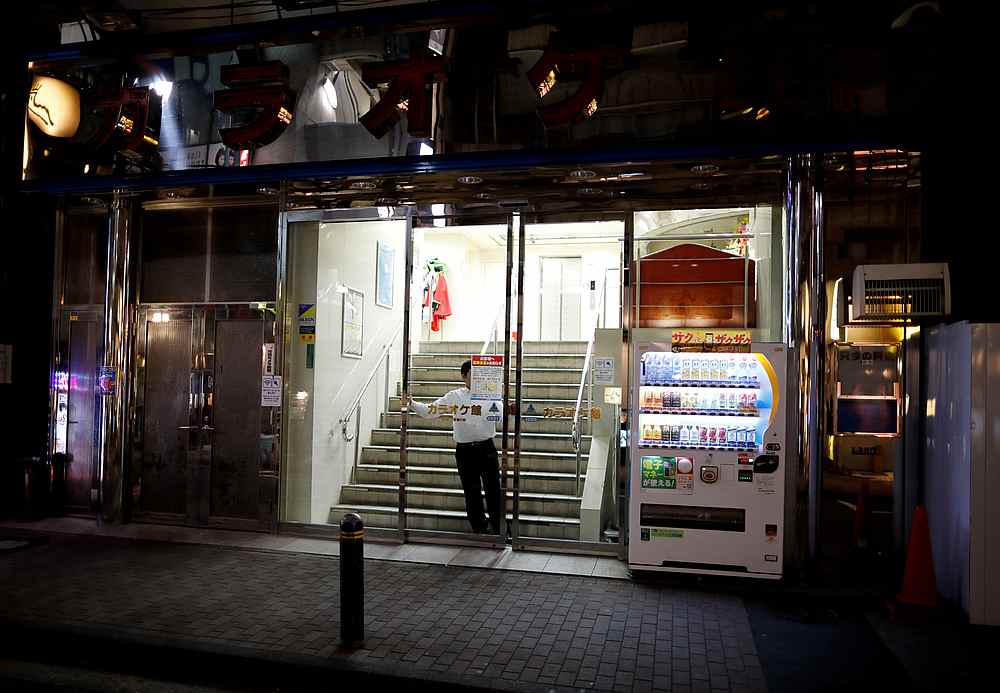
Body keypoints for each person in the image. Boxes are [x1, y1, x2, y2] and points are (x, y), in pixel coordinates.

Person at [401, 359, 503, 535]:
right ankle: (480, 530)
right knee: (472, 493)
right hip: (465, 452)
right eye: (473, 375)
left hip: (487, 449)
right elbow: (430, 411)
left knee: (494, 491)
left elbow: (499, 418)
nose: (478, 379)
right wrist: (412, 403)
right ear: (464, 376)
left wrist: (497, 404)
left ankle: (501, 531)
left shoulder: (491, 395)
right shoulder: (455, 396)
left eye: (480, 375)